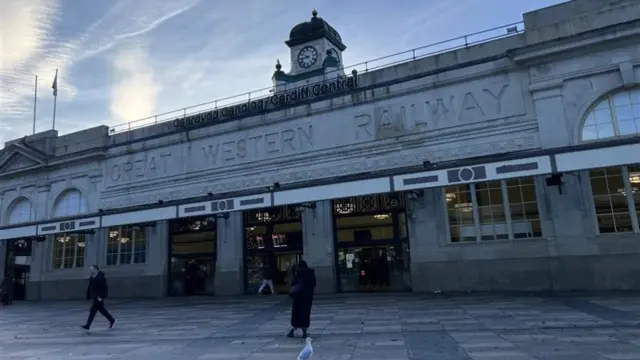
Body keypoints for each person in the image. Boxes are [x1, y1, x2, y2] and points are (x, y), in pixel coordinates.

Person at [80, 265, 116, 332]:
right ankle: (112, 320)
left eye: (92, 270)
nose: (90, 271)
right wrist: (89, 295)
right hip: (95, 296)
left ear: (96, 269)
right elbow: (90, 287)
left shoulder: (100, 277)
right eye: (90, 270)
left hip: (99, 297)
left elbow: (104, 288)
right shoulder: (91, 277)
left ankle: (88, 325)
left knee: (93, 311)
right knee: (101, 310)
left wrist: (101, 297)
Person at [287, 260, 316, 338]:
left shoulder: (297, 273)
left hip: (298, 297)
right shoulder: (310, 273)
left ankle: (293, 329)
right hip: (307, 298)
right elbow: (314, 284)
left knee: (296, 314)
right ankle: (304, 331)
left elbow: (293, 284)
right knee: (305, 314)